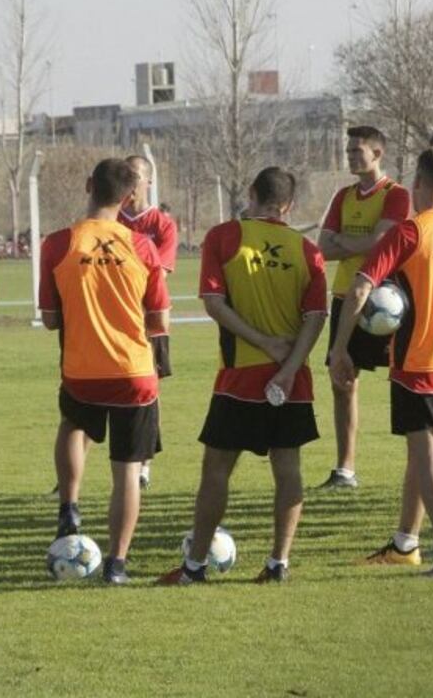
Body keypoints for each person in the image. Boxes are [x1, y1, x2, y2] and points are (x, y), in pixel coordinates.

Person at [158, 167, 327, 585]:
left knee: (216, 469)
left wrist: (264, 344)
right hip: (293, 380)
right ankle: (278, 564)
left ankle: (194, 568)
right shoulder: (307, 250)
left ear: (250, 193)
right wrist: (287, 367)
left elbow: (214, 303)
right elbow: (316, 318)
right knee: (288, 468)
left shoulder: (224, 237)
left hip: (240, 378)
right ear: (287, 206)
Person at [335, 148, 433, 578]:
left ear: (419, 184)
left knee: (426, 459)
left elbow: (361, 289)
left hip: (419, 363)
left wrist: (340, 348)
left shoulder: (409, 233)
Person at [39, 158, 170, 586]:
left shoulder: (58, 244)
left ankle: (70, 507)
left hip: (81, 370)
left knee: (73, 426)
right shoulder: (143, 247)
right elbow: (159, 321)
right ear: (129, 197)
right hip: (134, 372)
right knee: (128, 471)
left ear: (87, 184)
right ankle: (116, 564)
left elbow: (51, 319)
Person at [315, 126, 410, 490]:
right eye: (349, 150)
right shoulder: (343, 196)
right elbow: (324, 247)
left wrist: (349, 243)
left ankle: (416, 465)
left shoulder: (396, 195)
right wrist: (361, 244)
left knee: (403, 381)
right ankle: (345, 470)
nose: (351, 156)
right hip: (344, 298)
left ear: (377, 154)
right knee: (343, 381)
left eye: (358, 150)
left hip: (385, 300)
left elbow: (381, 245)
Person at [119, 154, 178, 491]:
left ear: (148, 182)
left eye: (135, 176)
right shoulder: (110, 219)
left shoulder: (162, 225)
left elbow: (161, 273)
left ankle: (143, 466)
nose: (130, 182)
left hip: (149, 321)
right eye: (125, 175)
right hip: (112, 321)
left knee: (148, 392)